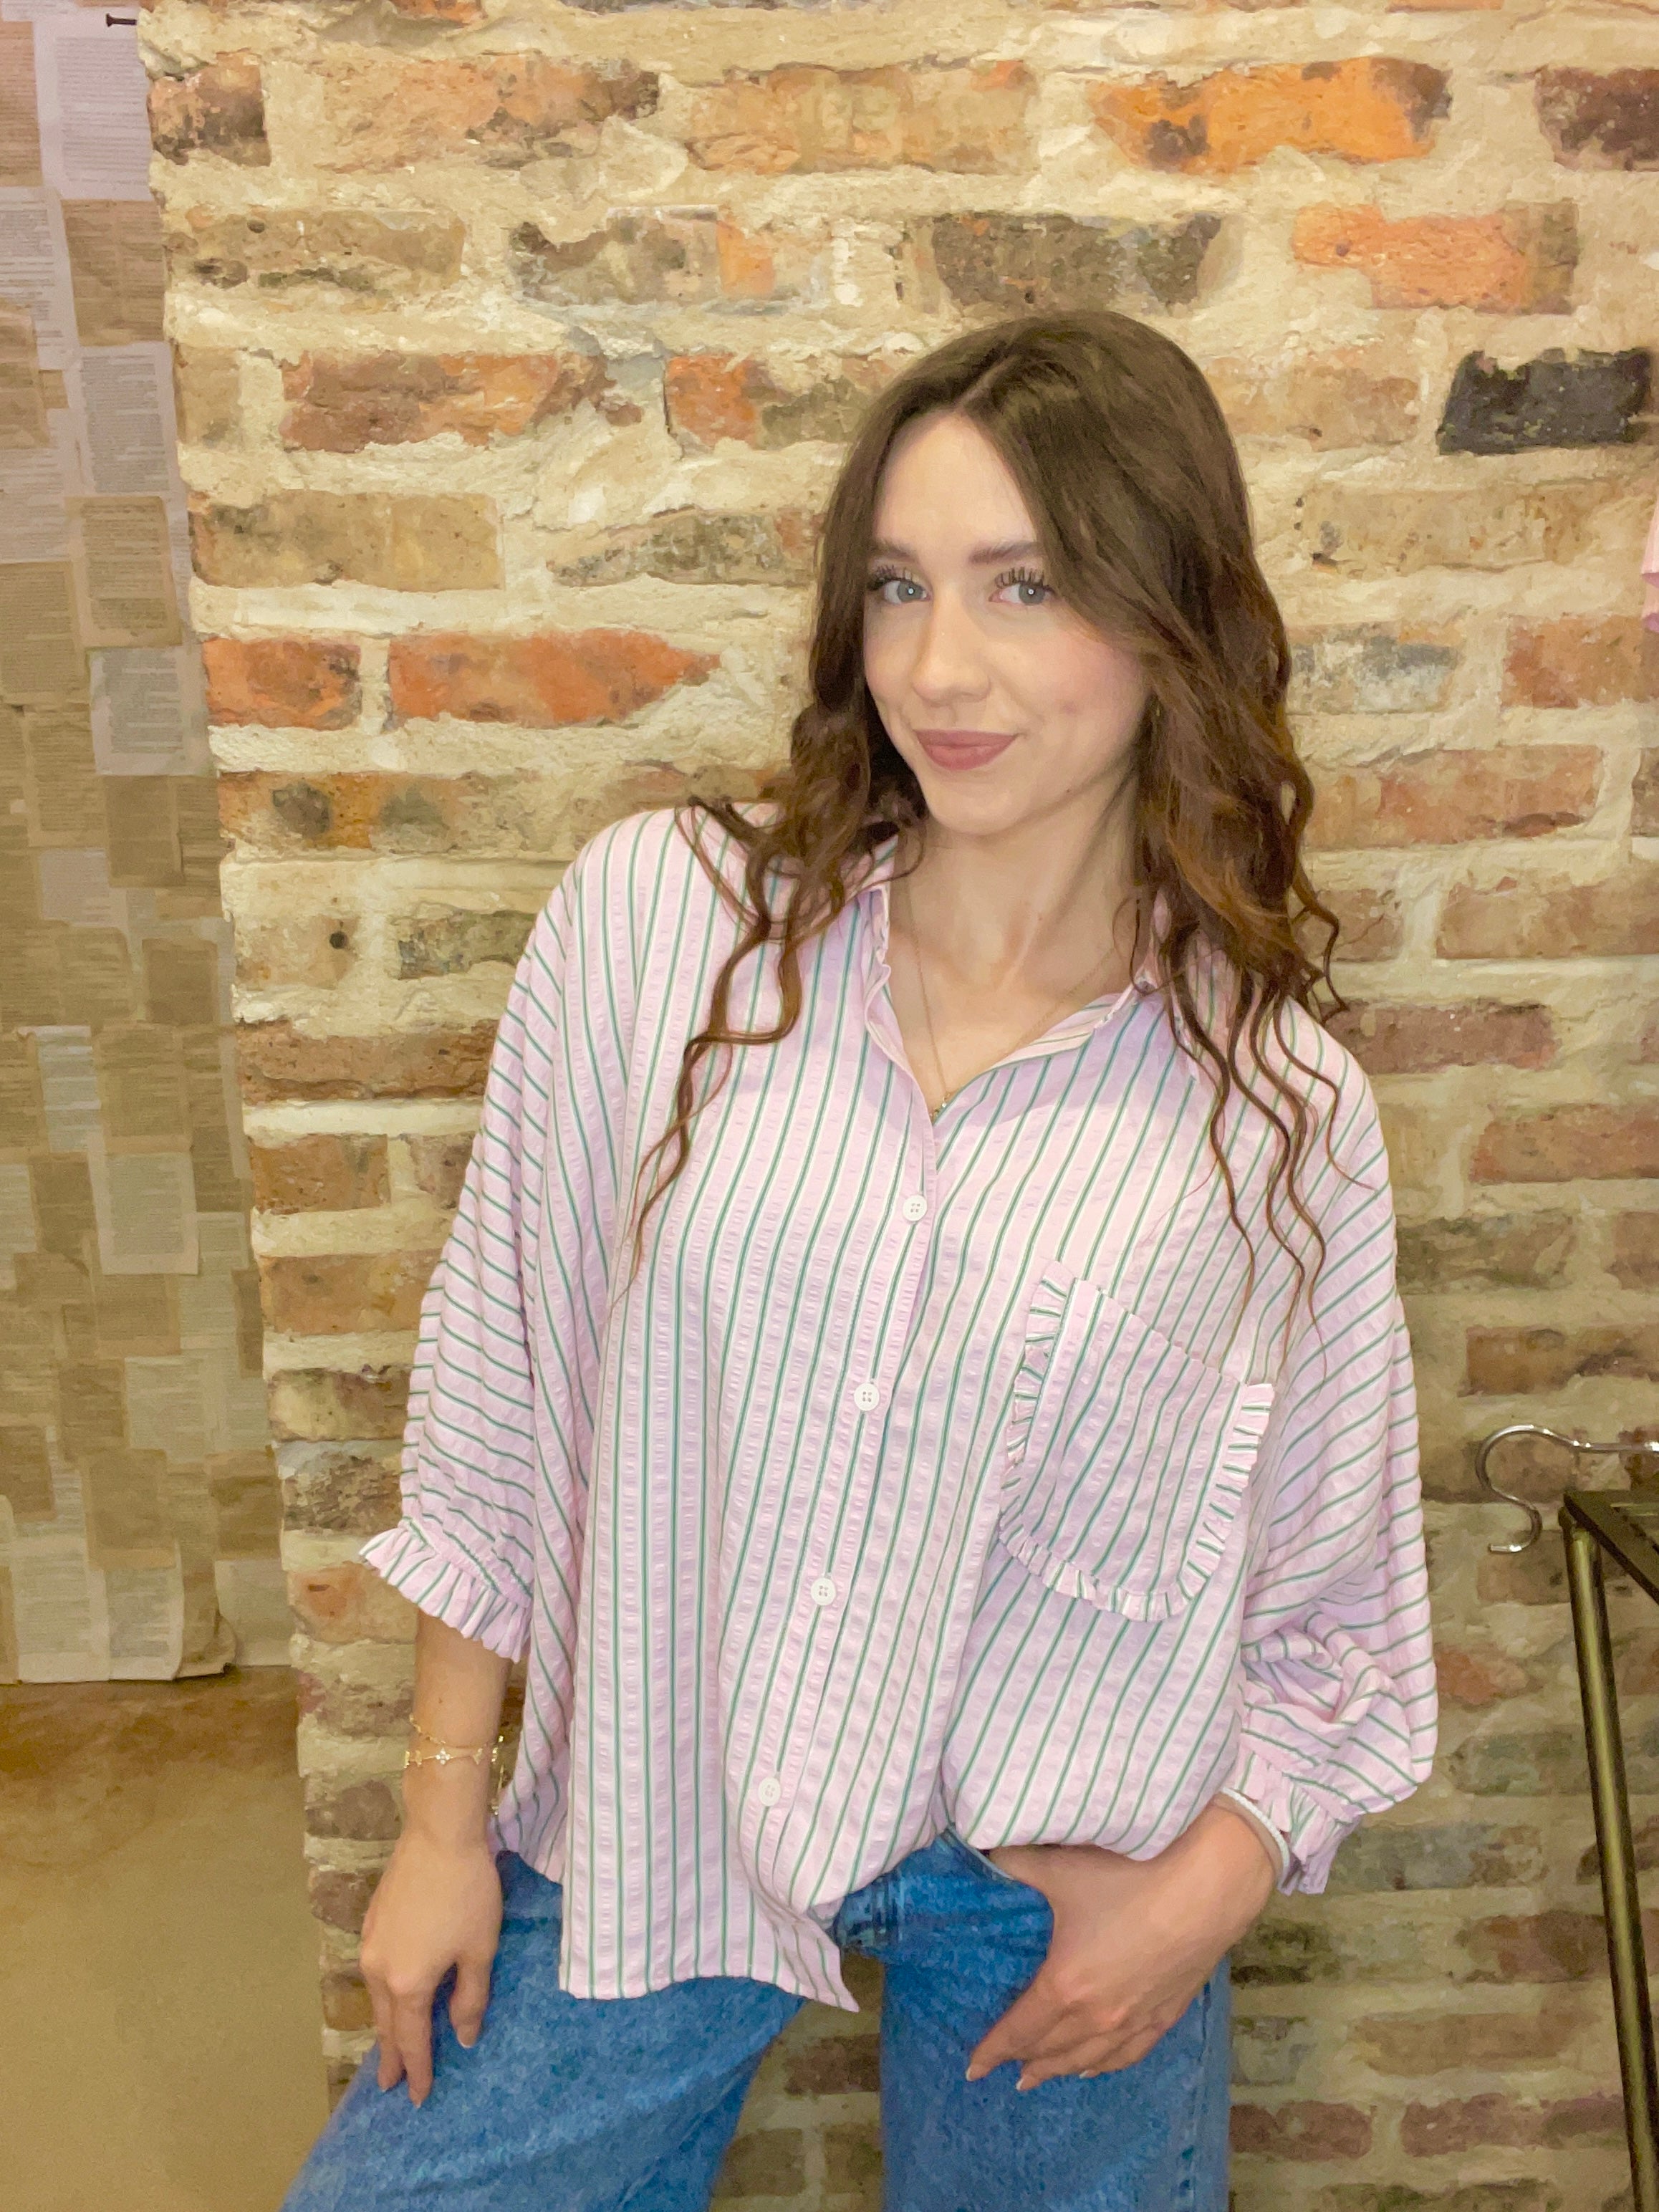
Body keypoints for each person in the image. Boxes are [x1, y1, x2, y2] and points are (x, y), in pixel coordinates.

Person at [282, 311, 1436, 2212]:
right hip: (670, 1790)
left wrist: (1204, 1893)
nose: (935, 666)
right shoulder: (665, 927)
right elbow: (504, 1389)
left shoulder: (1277, 1104)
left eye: (1023, 586)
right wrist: (441, 1822)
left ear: (1172, 619)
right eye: (898, 585)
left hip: (1062, 1865)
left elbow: (1332, 1595)